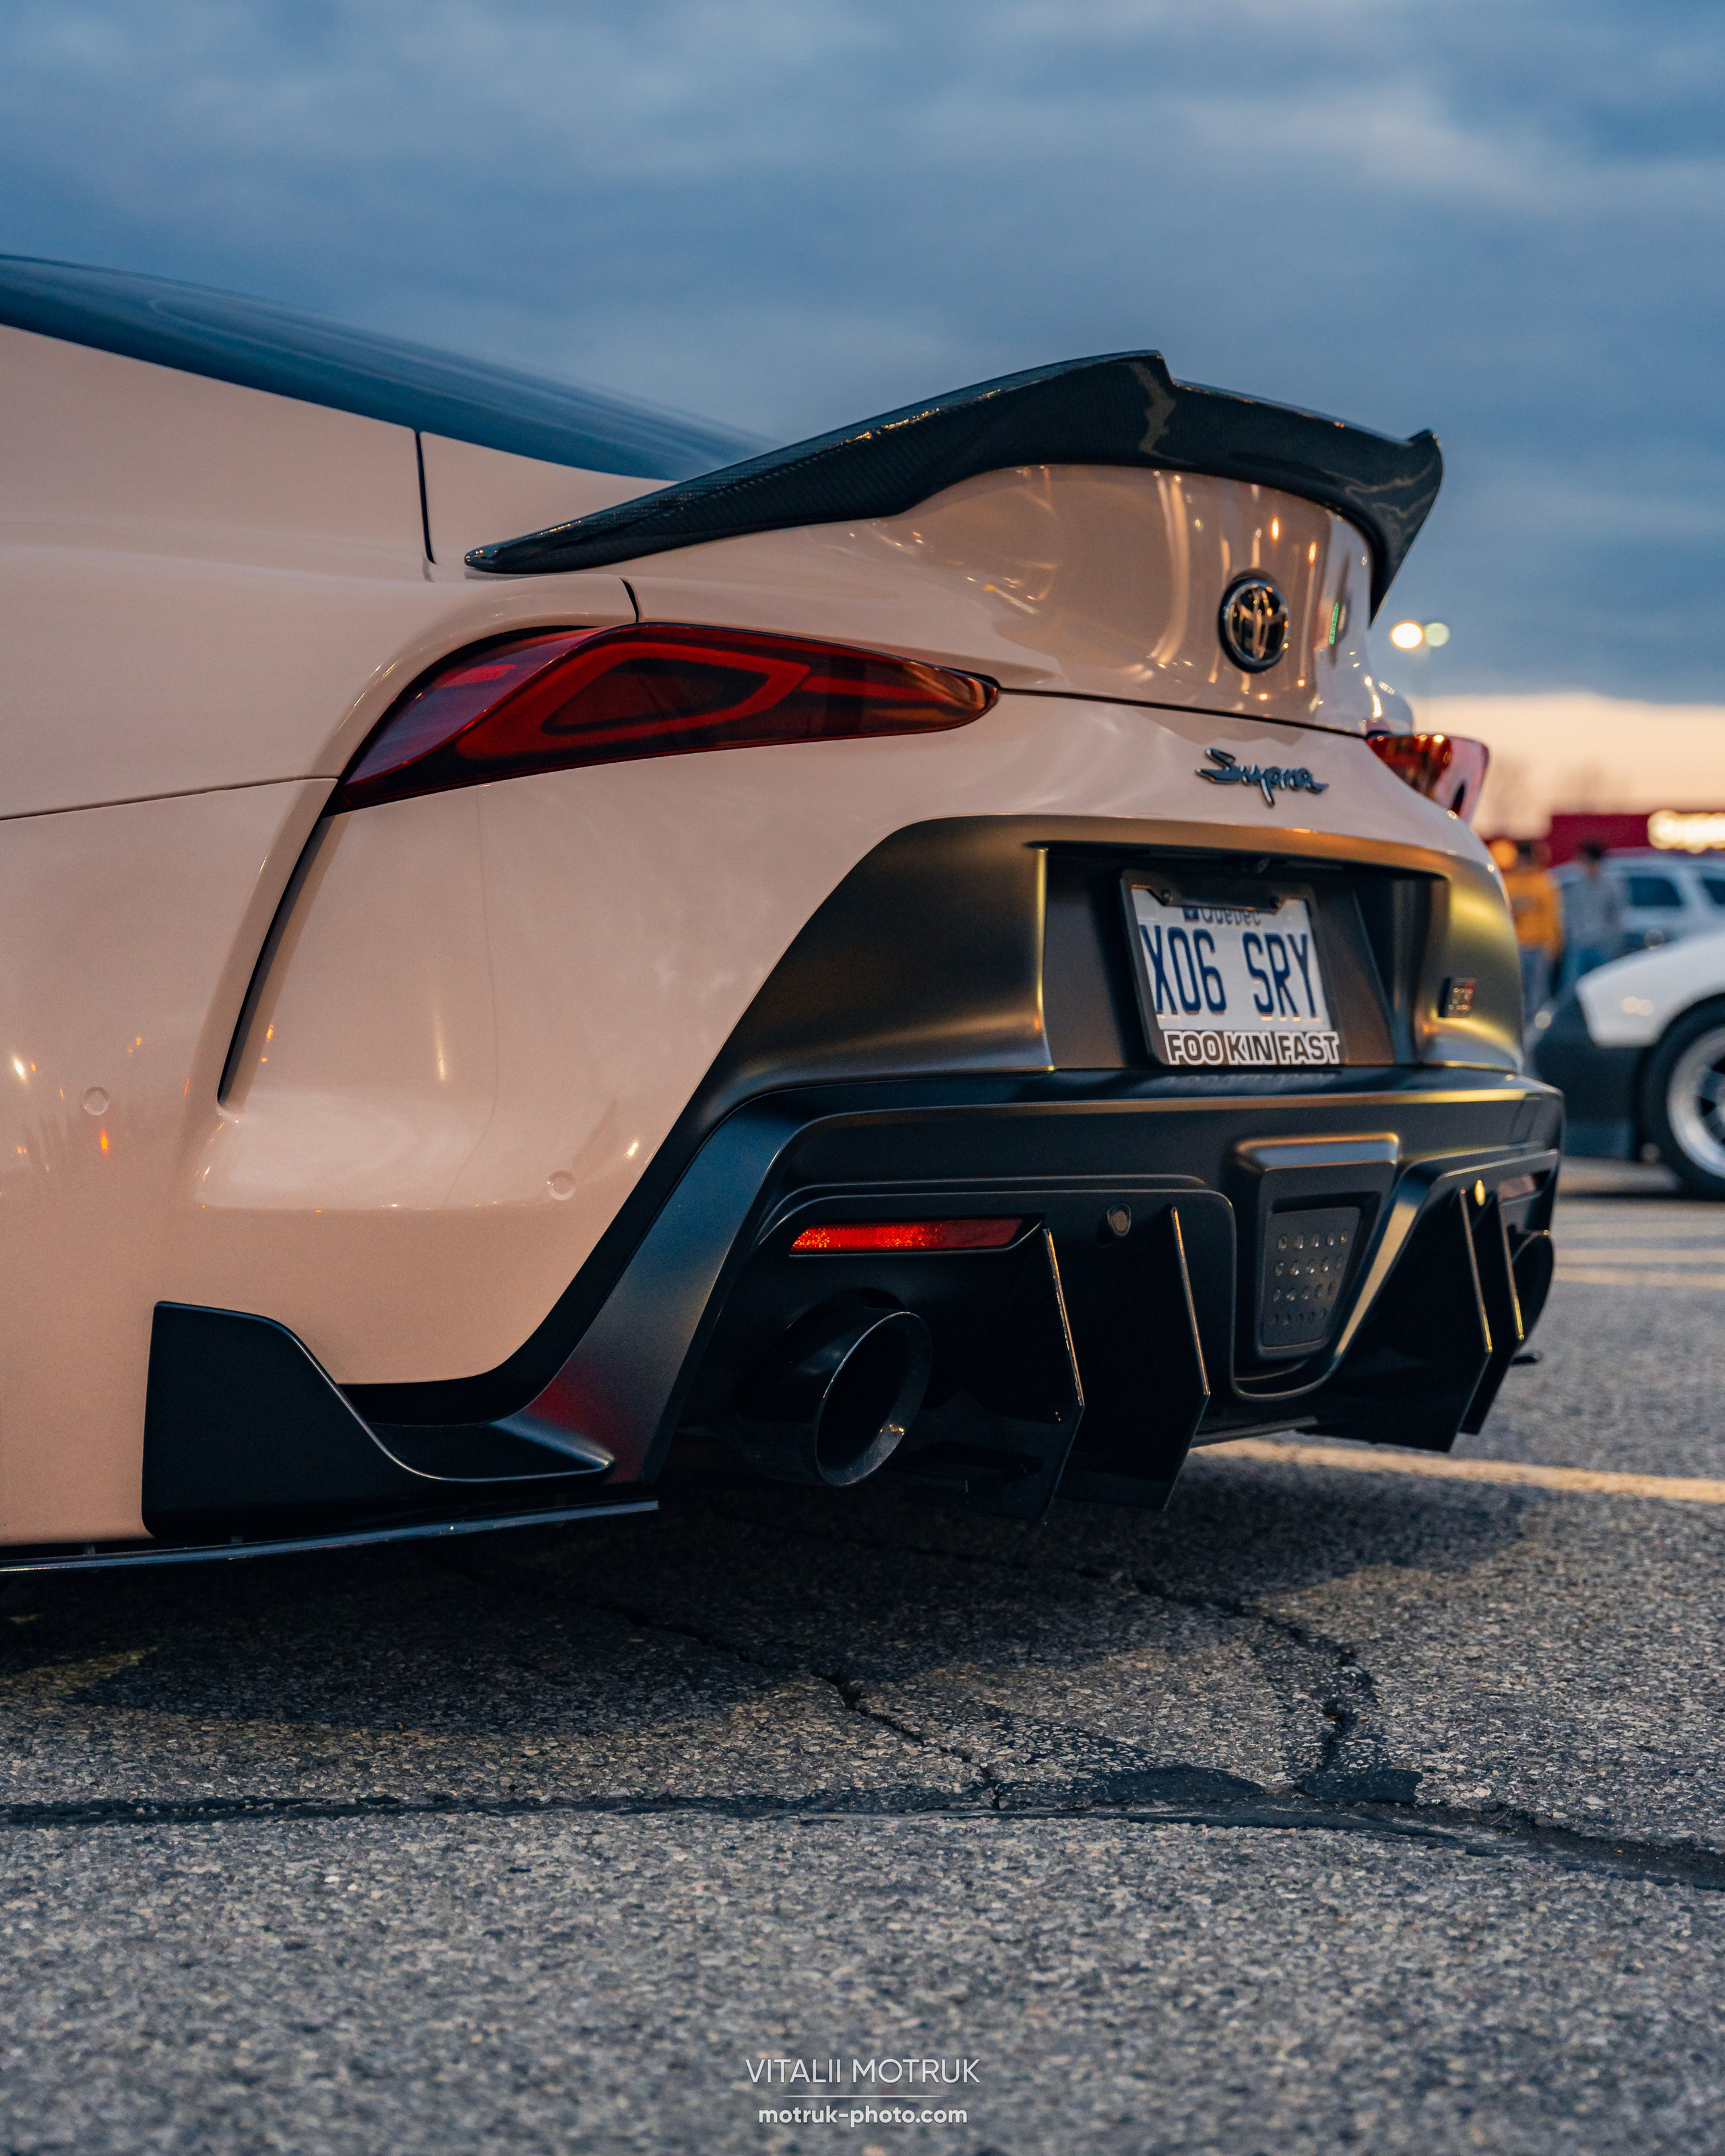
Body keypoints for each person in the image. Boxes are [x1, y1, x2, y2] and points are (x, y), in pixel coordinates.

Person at [1499, 837, 1563, 1017]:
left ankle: (1537, 1020)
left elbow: (1551, 915)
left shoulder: (1543, 881)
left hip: (1539, 944)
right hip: (1516, 943)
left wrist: (1553, 943)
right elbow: (1501, 907)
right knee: (1516, 986)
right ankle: (1517, 1018)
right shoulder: (1509, 881)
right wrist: (1517, 905)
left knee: (1538, 988)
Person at [1560, 840, 1625, 988]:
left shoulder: (1611, 885)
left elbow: (1616, 917)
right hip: (1578, 944)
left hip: (1602, 945)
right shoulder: (1575, 884)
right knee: (1573, 987)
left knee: (1603, 985)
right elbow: (1568, 914)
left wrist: (1612, 943)